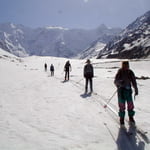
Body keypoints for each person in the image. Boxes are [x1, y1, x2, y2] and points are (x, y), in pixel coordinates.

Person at [114, 61, 138, 126]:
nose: (126, 66)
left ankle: (131, 117)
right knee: (122, 106)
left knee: (130, 105)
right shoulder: (120, 72)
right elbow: (115, 81)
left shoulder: (130, 72)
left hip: (128, 91)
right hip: (121, 91)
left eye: (127, 65)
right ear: (122, 65)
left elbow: (134, 81)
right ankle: (121, 118)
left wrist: (136, 89)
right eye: (124, 65)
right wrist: (120, 82)